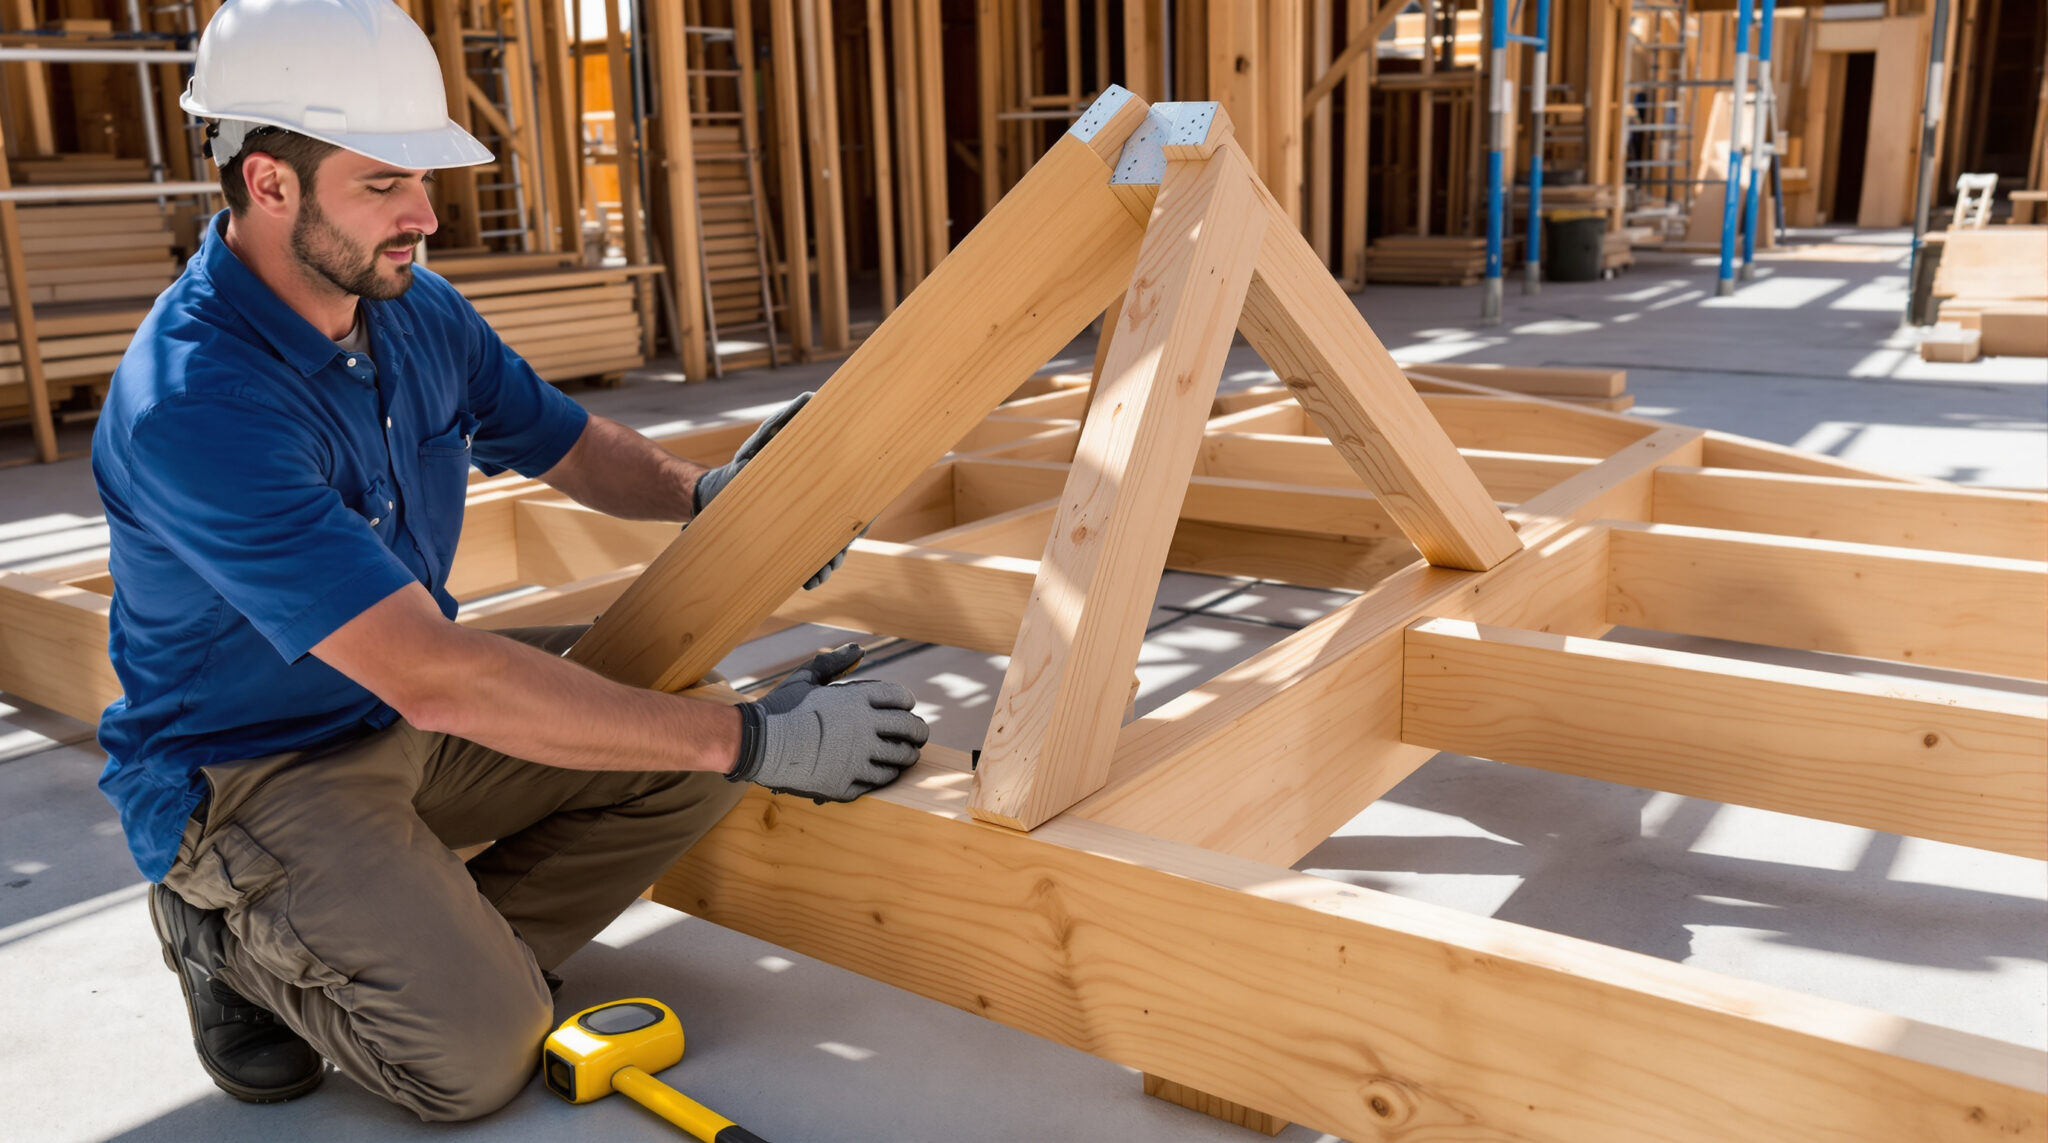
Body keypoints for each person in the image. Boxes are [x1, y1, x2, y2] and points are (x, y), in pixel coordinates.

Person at [93, 0, 927, 1121]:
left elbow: (570, 446)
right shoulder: (196, 404)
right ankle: (228, 937)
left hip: (396, 722)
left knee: (677, 725)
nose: (424, 215)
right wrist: (754, 744)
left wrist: (703, 500)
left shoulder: (411, 311)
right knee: (475, 1065)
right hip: (250, 770)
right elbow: (432, 672)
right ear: (267, 182)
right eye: (383, 183)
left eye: (422, 180)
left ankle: (403, 942)